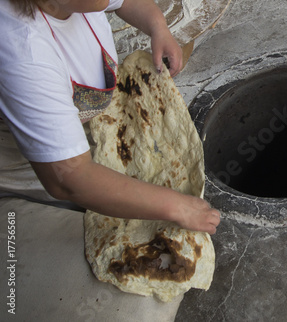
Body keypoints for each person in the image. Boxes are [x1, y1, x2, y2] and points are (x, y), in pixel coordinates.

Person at [0, 0, 220, 234]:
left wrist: (158, 27)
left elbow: (125, 1)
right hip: (35, 165)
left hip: (85, 131)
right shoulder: (25, 52)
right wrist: (178, 208)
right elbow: (70, 180)